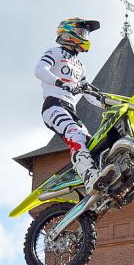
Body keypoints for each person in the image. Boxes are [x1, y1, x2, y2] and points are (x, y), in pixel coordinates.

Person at [35, 17, 116, 194]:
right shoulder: (54, 52)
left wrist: (108, 104)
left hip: (71, 109)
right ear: (67, 33)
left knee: (91, 142)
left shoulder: (80, 65)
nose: (84, 36)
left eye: (85, 34)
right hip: (53, 105)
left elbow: (88, 93)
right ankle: (89, 177)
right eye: (81, 32)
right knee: (75, 134)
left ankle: (101, 179)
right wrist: (59, 82)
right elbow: (40, 70)